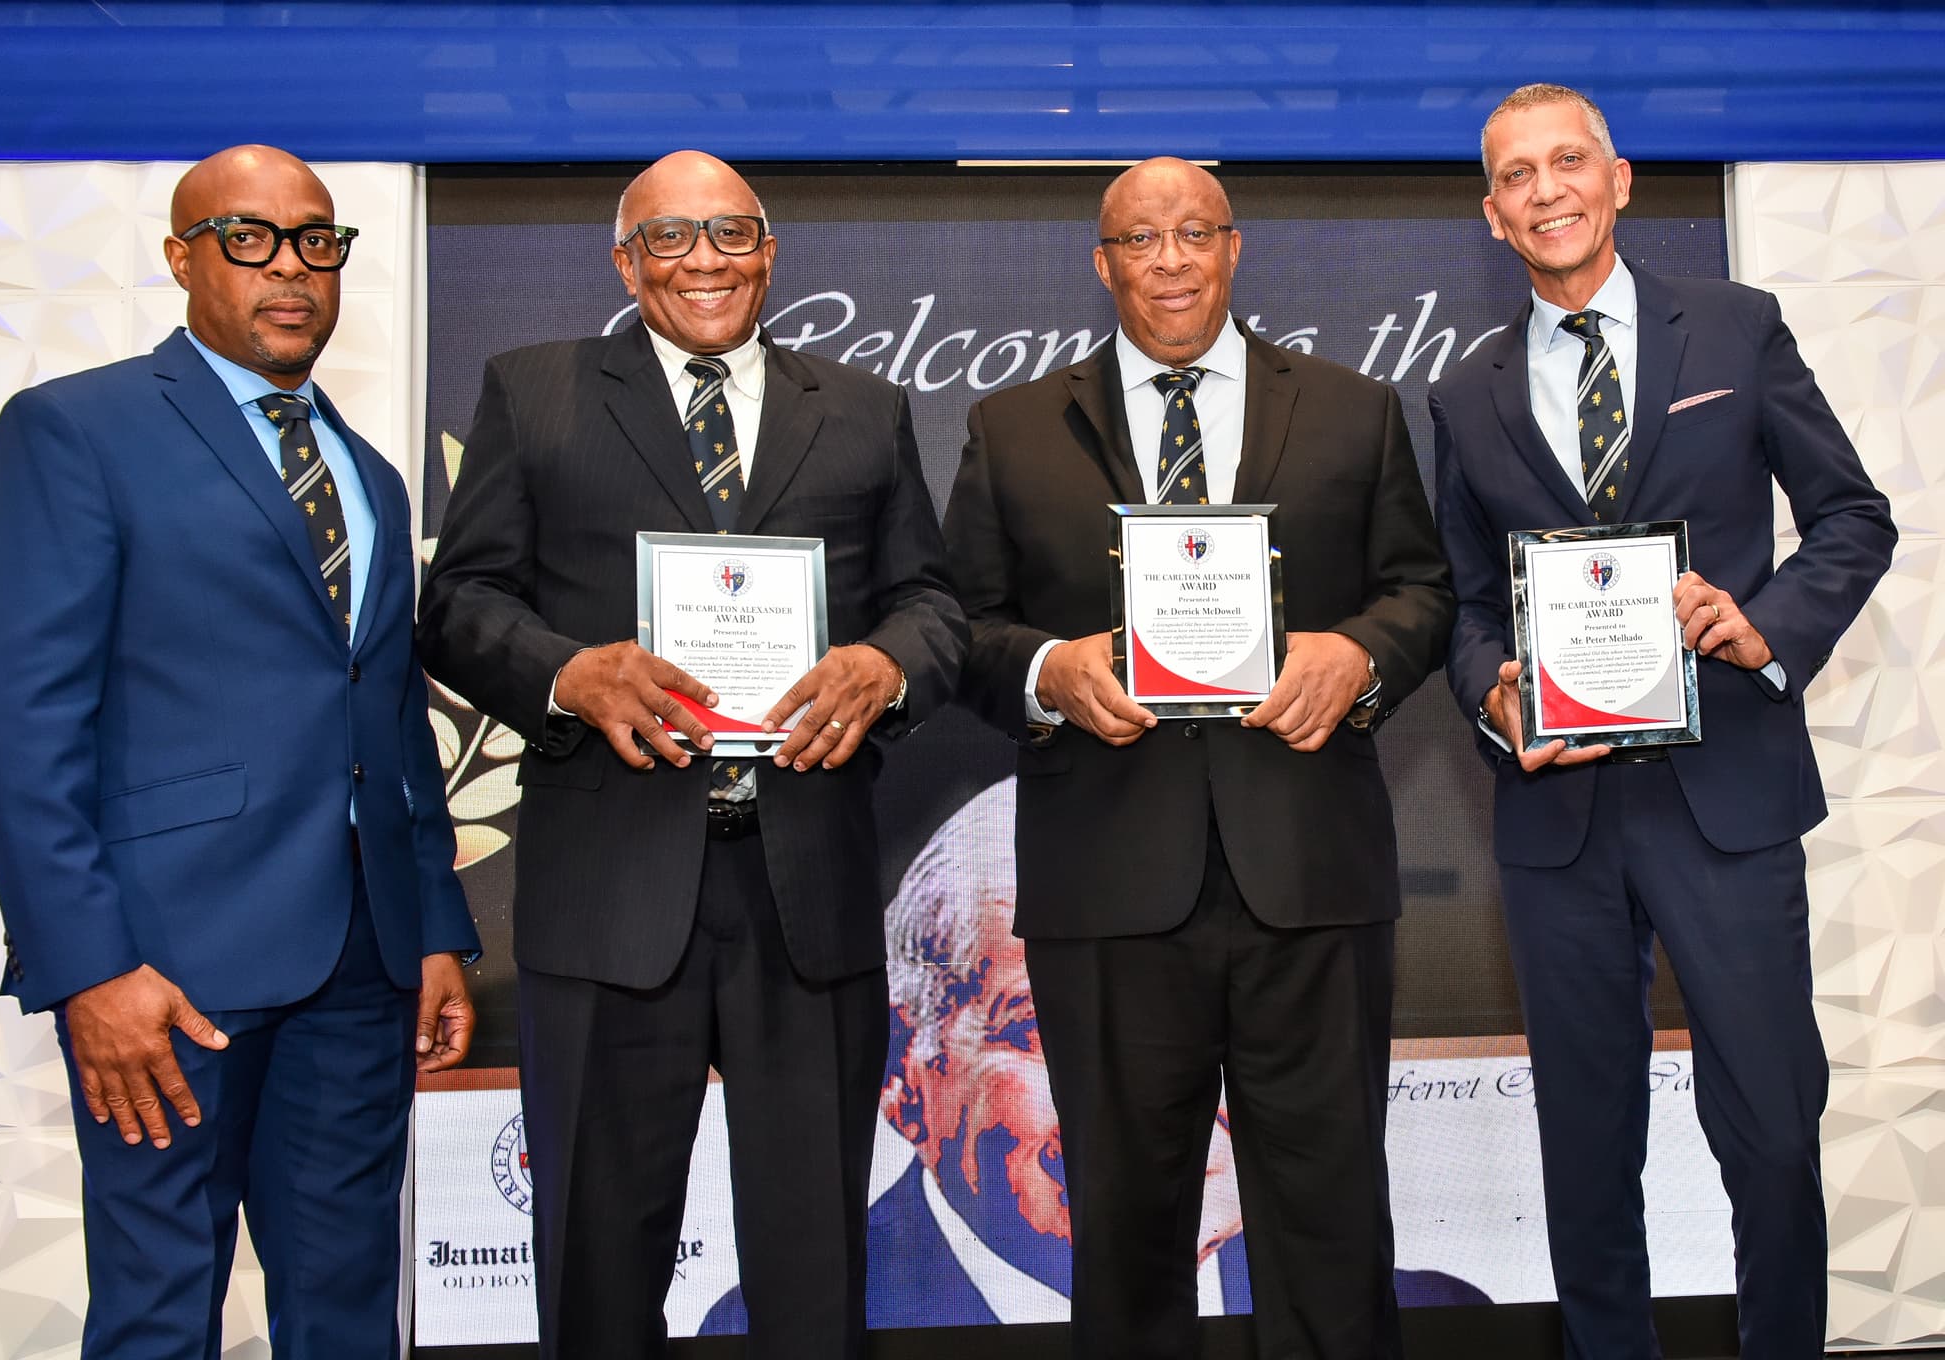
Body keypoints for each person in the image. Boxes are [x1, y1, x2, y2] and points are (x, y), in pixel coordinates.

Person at [415, 150, 966, 1359]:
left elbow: (931, 603)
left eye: (729, 233)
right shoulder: (538, 390)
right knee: (598, 1267)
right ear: (625, 262)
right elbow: (457, 604)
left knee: (814, 1268)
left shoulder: (861, 406)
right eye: (668, 238)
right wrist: (568, 672)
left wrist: (884, 669)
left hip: (805, 891)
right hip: (611, 890)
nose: (702, 259)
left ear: (769, 251)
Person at [0, 145, 480, 1358]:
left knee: (347, 1309)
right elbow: (18, 721)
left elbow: (389, 717)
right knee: (158, 1312)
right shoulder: (74, 430)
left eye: (314, 239)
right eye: (248, 237)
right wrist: (88, 967)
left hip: (364, 964)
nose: (288, 267)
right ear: (182, 258)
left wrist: (439, 923)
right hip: (166, 968)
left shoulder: (368, 469)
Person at [940, 157, 1456, 1360]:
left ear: (1232, 249)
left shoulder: (1350, 407)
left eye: (1191, 233)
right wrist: (1046, 670)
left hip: (1307, 871)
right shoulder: (1011, 427)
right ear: (1100, 262)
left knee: (1327, 1216)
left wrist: (1359, 656)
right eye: (1138, 239)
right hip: (1106, 881)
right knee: (1122, 1222)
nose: (1166, 259)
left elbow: (1423, 592)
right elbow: (954, 626)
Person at [1431, 84, 1895, 1358]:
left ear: (1618, 179)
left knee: (1766, 1123)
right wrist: (1490, 689)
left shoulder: (1736, 331)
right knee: (1584, 1147)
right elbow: (1466, 607)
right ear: (1489, 214)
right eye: (1515, 176)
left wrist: (1766, 626)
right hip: (1556, 810)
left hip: (1726, 799)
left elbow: (1854, 517)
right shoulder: (1463, 393)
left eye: (1566, 162)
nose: (1544, 191)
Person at [703, 777, 1486, 1336]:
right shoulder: (768, 1321)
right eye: (1038, 1026)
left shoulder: (1428, 1308)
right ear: (910, 1073)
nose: (1155, 1053)